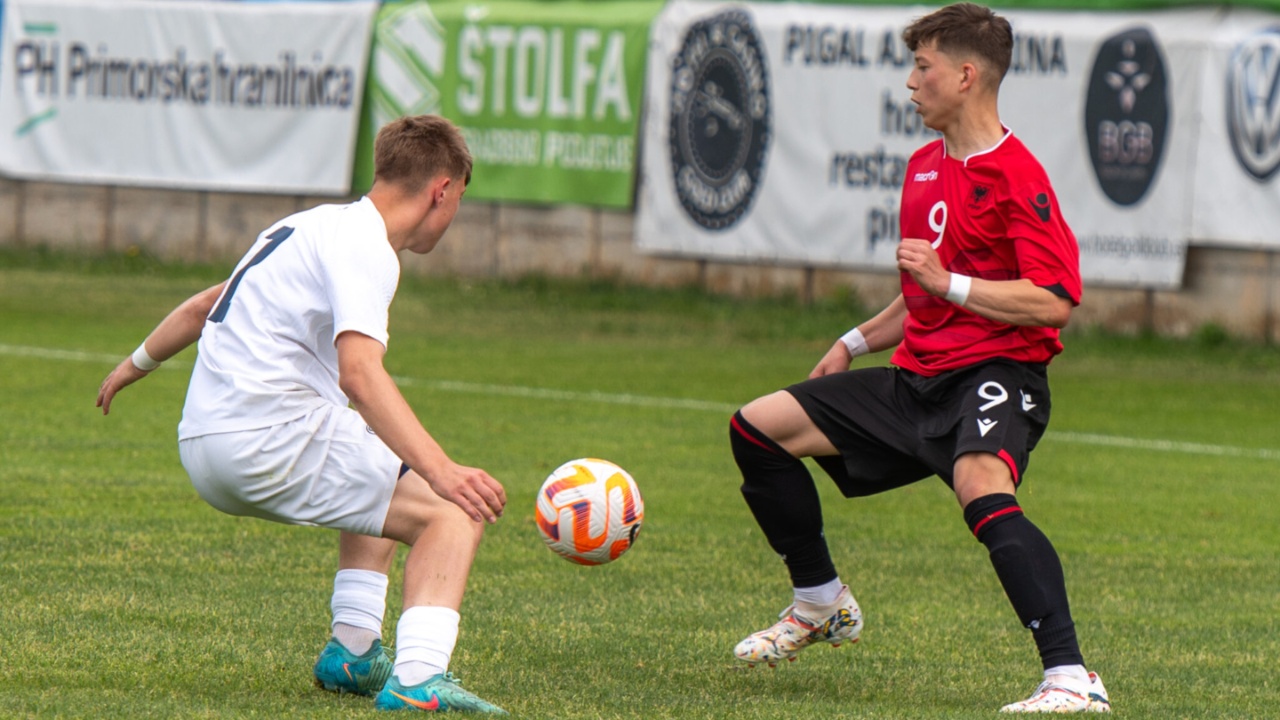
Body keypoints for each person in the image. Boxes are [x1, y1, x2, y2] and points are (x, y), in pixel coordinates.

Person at [728, 4, 1110, 714]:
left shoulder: (1016, 176)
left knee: (982, 489)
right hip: (917, 381)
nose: (910, 82)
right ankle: (819, 601)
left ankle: (1071, 678)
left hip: (997, 376)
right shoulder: (925, 166)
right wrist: (852, 342)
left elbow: (1054, 300)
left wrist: (949, 283)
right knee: (756, 427)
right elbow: (922, 291)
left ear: (966, 77)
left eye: (923, 67)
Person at [96, 115, 510, 714]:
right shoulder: (368, 248)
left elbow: (204, 304)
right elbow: (360, 375)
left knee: (383, 461)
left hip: (202, 443)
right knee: (450, 508)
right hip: (264, 438)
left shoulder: (303, 225)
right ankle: (419, 679)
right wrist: (444, 470)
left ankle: (353, 650)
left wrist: (135, 364)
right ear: (441, 191)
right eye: (458, 202)